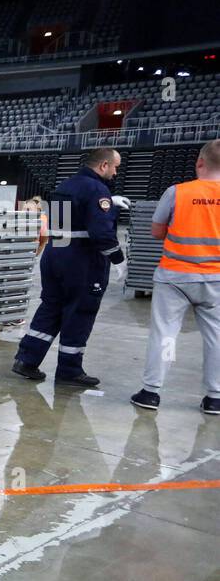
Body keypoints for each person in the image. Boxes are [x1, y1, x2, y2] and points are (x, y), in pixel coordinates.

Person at [12, 147, 128, 387]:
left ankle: (26, 360)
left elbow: (73, 217)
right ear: (103, 165)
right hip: (81, 260)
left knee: (51, 307)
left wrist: (109, 205)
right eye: (115, 166)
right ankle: (69, 370)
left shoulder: (64, 185)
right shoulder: (98, 189)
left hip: (55, 254)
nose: (116, 172)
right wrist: (119, 259)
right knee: (80, 311)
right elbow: (100, 233)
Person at [130, 139, 220, 415]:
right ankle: (215, 397)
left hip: (175, 276)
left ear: (200, 163)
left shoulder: (177, 192)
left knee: (165, 334)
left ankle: (151, 393)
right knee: (216, 337)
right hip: (216, 277)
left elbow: (156, 232)